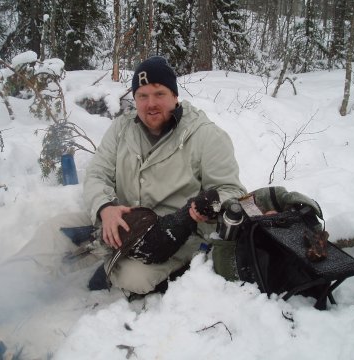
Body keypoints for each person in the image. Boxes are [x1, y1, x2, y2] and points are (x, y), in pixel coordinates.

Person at [83, 56, 246, 295]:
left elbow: (233, 192)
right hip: (122, 222)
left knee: (134, 279)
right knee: (54, 232)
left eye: (159, 94)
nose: (151, 104)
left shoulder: (206, 136)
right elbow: (97, 174)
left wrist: (208, 203)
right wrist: (105, 207)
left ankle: (163, 270)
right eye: (142, 95)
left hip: (174, 236)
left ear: (175, 96)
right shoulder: (121, 128)